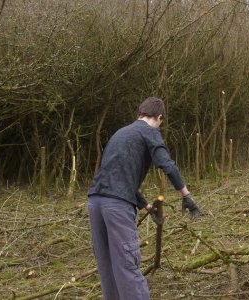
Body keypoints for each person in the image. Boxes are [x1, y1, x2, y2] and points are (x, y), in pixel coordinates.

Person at [87, 97, 201, 300]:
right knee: (127, 266)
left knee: (108, 267)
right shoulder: (149, 131)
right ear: (159, 117)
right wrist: (186, 196)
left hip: (95, 201)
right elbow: (167, 165)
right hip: (116, 207)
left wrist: (148, 208)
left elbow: (118, 180)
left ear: (140, 113)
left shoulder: (120, 134)